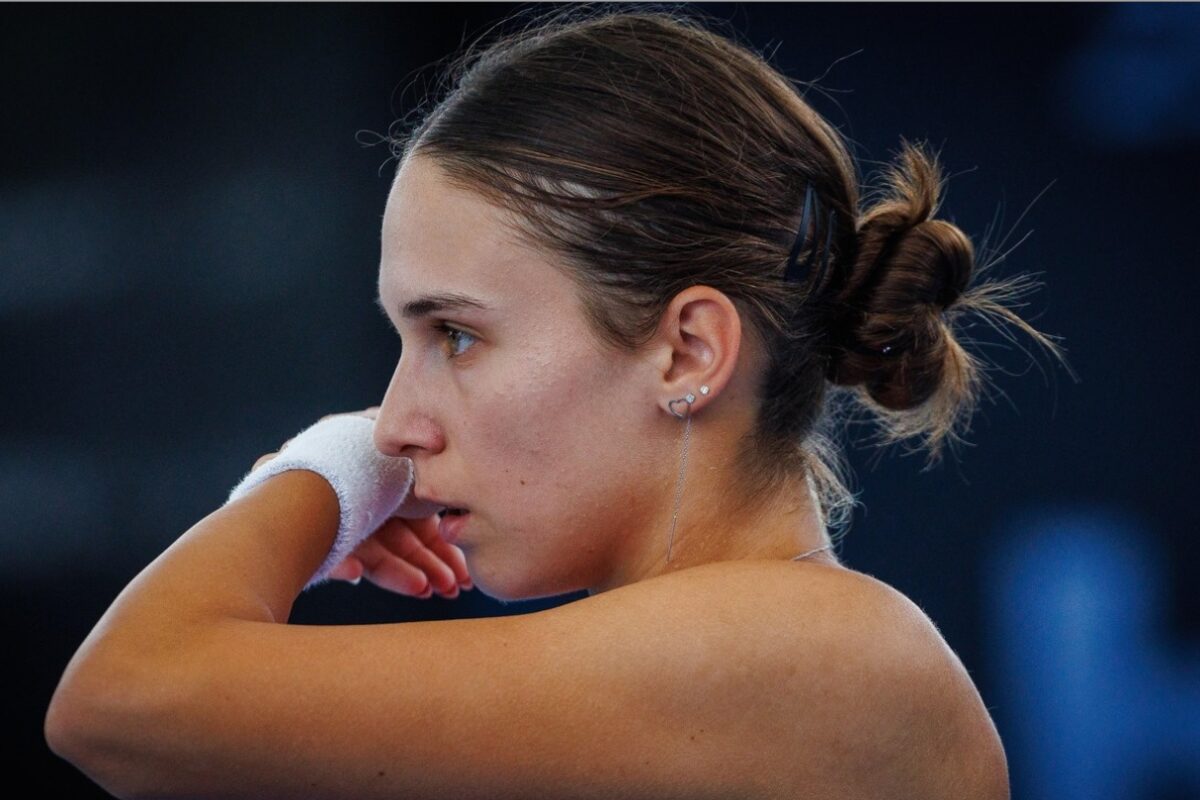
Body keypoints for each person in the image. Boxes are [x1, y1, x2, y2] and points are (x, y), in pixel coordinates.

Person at [45, 6, 1065, 798]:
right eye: (405, 339)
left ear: (687, 351)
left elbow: (126, 697)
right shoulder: (742, 661)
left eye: (456, 333)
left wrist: (329, 470)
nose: (396, 421)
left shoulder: (822, 655)